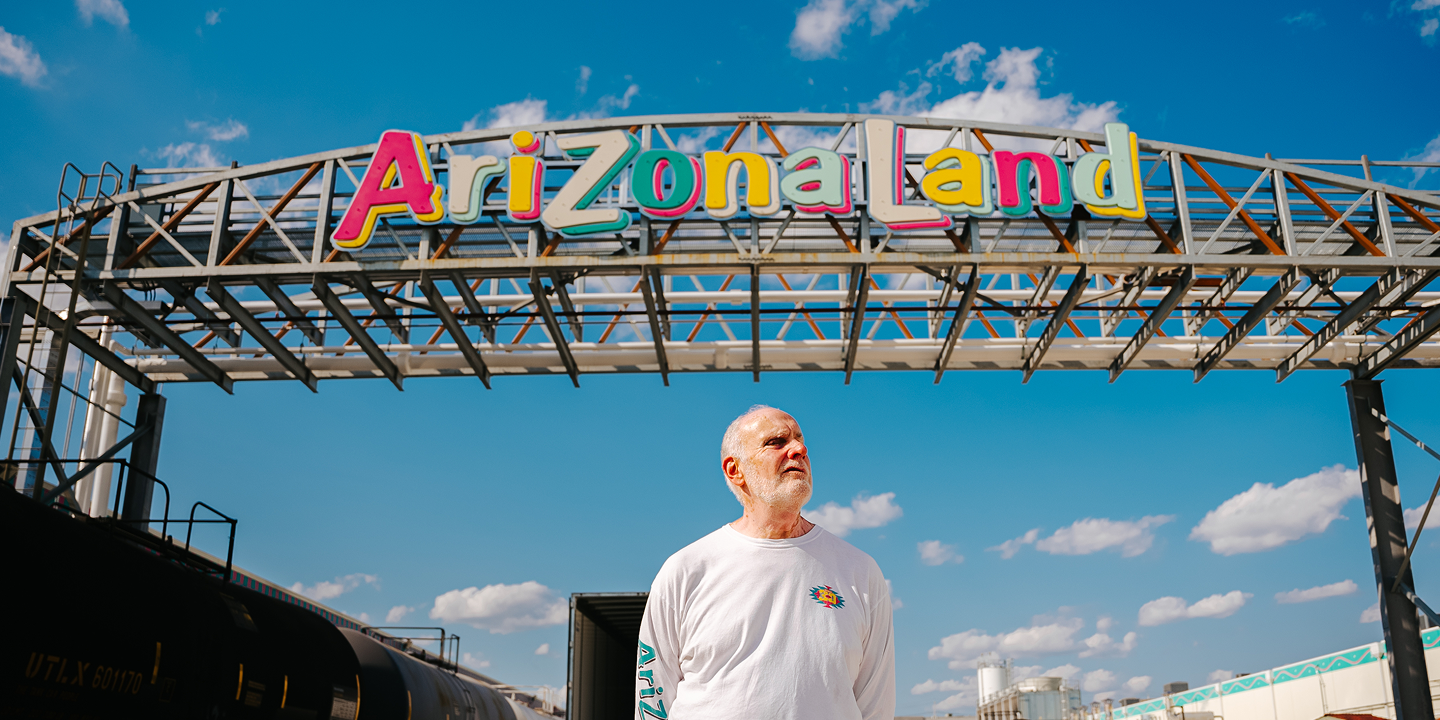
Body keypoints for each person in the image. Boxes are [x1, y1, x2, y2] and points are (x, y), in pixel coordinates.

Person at [635, 405, 895, 720]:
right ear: (735, 470)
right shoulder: (685, 571)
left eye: (800, 441)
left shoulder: (860, 572)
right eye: (776, 442)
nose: (799, 449)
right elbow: (652, 699)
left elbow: (876, 707)